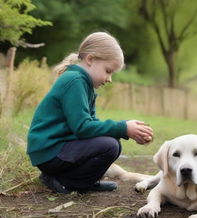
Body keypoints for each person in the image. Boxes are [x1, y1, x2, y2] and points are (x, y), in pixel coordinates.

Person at [27, 31, 153, 194]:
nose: (109, 79)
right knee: (109, 145)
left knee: (110, 142)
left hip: (58, 150)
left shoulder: (84, 85)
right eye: (108, 71)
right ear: (91, 59)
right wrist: (123, 128)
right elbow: (83, 127)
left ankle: (82, 181)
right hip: (50, 151)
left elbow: (90, 127)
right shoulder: (74, 81)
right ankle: (66, 182)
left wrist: (128, 131)